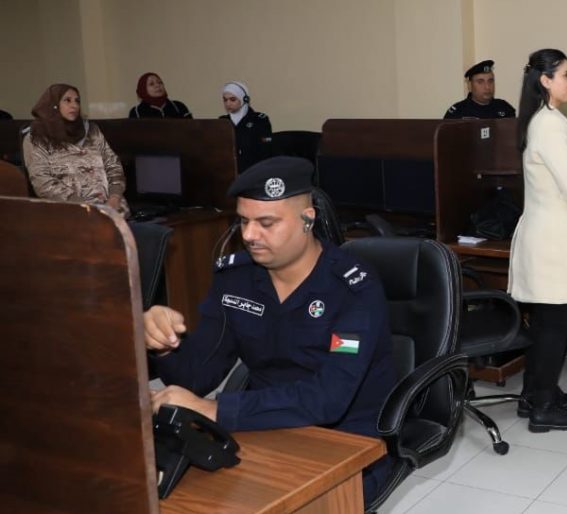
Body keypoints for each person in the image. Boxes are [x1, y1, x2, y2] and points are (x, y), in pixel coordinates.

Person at [143, 156, 396, 508]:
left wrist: (215, 410)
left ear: (308, 219)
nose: (249, 235)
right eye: (243, 221)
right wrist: (164, 344)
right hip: (262, 426)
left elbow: (328, 399)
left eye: (266, 223)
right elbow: (197, 376)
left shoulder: (353, 287)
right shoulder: (236, 279)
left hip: (347, 439)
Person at [509, 48, 567, 433]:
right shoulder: (547, 125)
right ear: (545, 80)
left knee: (547, 324)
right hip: (554, 242)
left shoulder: (546, 119)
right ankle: (544, 407)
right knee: (555, 326)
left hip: (552, 236)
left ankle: (534, 393)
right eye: (566, 74)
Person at [22, 83, 129, 217]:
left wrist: (114, 196)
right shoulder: (37, 137)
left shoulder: (91, 130)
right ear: (53, 104)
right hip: (69, 211)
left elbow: (112, 164)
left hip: (110, 206)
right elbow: (42, 181)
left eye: (77, 101)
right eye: (67, 100)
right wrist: (83, 205)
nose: (74, 105)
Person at [220, 81, 273, 173]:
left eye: (232, 99)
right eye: (225, 100)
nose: (228, 104)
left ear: (244, 99)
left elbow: (265, 151)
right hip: (228, 171)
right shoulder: (223, 121)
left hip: (254, 171)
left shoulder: (259, 120)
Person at [444, 59, 516, 119]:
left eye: (490, 81)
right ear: (469, 85)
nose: (487, 87)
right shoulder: (457, 112)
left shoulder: (505, 108)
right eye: (480, 82)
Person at [127, 72, 193, 119]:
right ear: (143, 89)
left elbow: (191, 130)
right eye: (151, 84)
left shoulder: (178, 107)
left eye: (160, 82)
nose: (157, 85)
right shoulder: (137, 112)